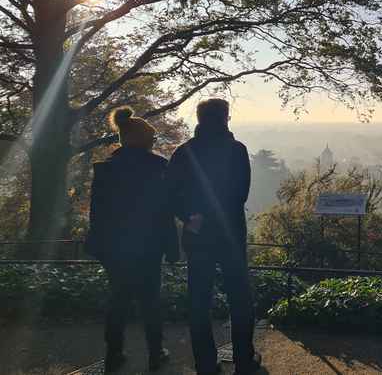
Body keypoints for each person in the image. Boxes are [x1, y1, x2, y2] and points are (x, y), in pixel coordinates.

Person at [167, 98, 260, 375]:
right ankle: (244, 360)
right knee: (240, 298)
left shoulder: (184, 152)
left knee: (198, 299)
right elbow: (239, 194)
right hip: (230, 233)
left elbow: (170, 193)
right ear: (226, 118)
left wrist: (191, 216)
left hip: (198, 235)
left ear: (199, 118)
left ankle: (205, 364)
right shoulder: (237, 150)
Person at [85, 106, 178, 373]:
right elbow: (165, 213)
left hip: (114, 247)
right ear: (144, 139)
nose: (154, 142)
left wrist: (99, 245)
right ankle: (155, 353)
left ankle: (113, 354)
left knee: (118, 300)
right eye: (152, 139)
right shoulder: (158, 167)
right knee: (151, 300)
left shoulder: (105, 169)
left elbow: (97, 213)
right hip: (149, 246)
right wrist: (172, 248)